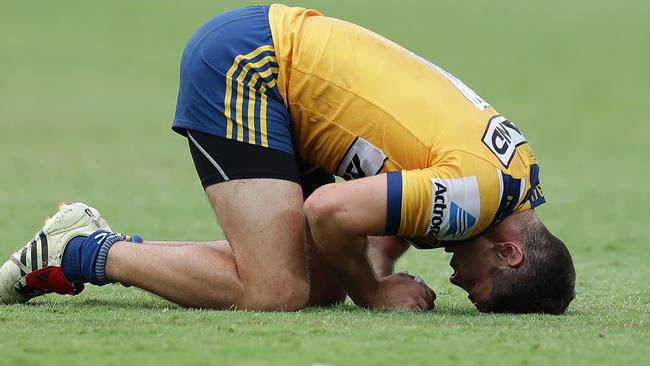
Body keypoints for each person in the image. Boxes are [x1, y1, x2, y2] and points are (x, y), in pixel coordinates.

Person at [0, 4, 575, 313]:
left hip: (283, 69)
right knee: (275, 290)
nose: (457, 282)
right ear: (509, 251)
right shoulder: (476, 199)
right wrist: (372, 291)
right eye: (477, 287)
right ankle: (78, 250)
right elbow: (329, 211)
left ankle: (95, 241)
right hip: (253, 66)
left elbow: (391, 207)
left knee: (315, 284)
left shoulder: (514, 179)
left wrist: (368, 270)